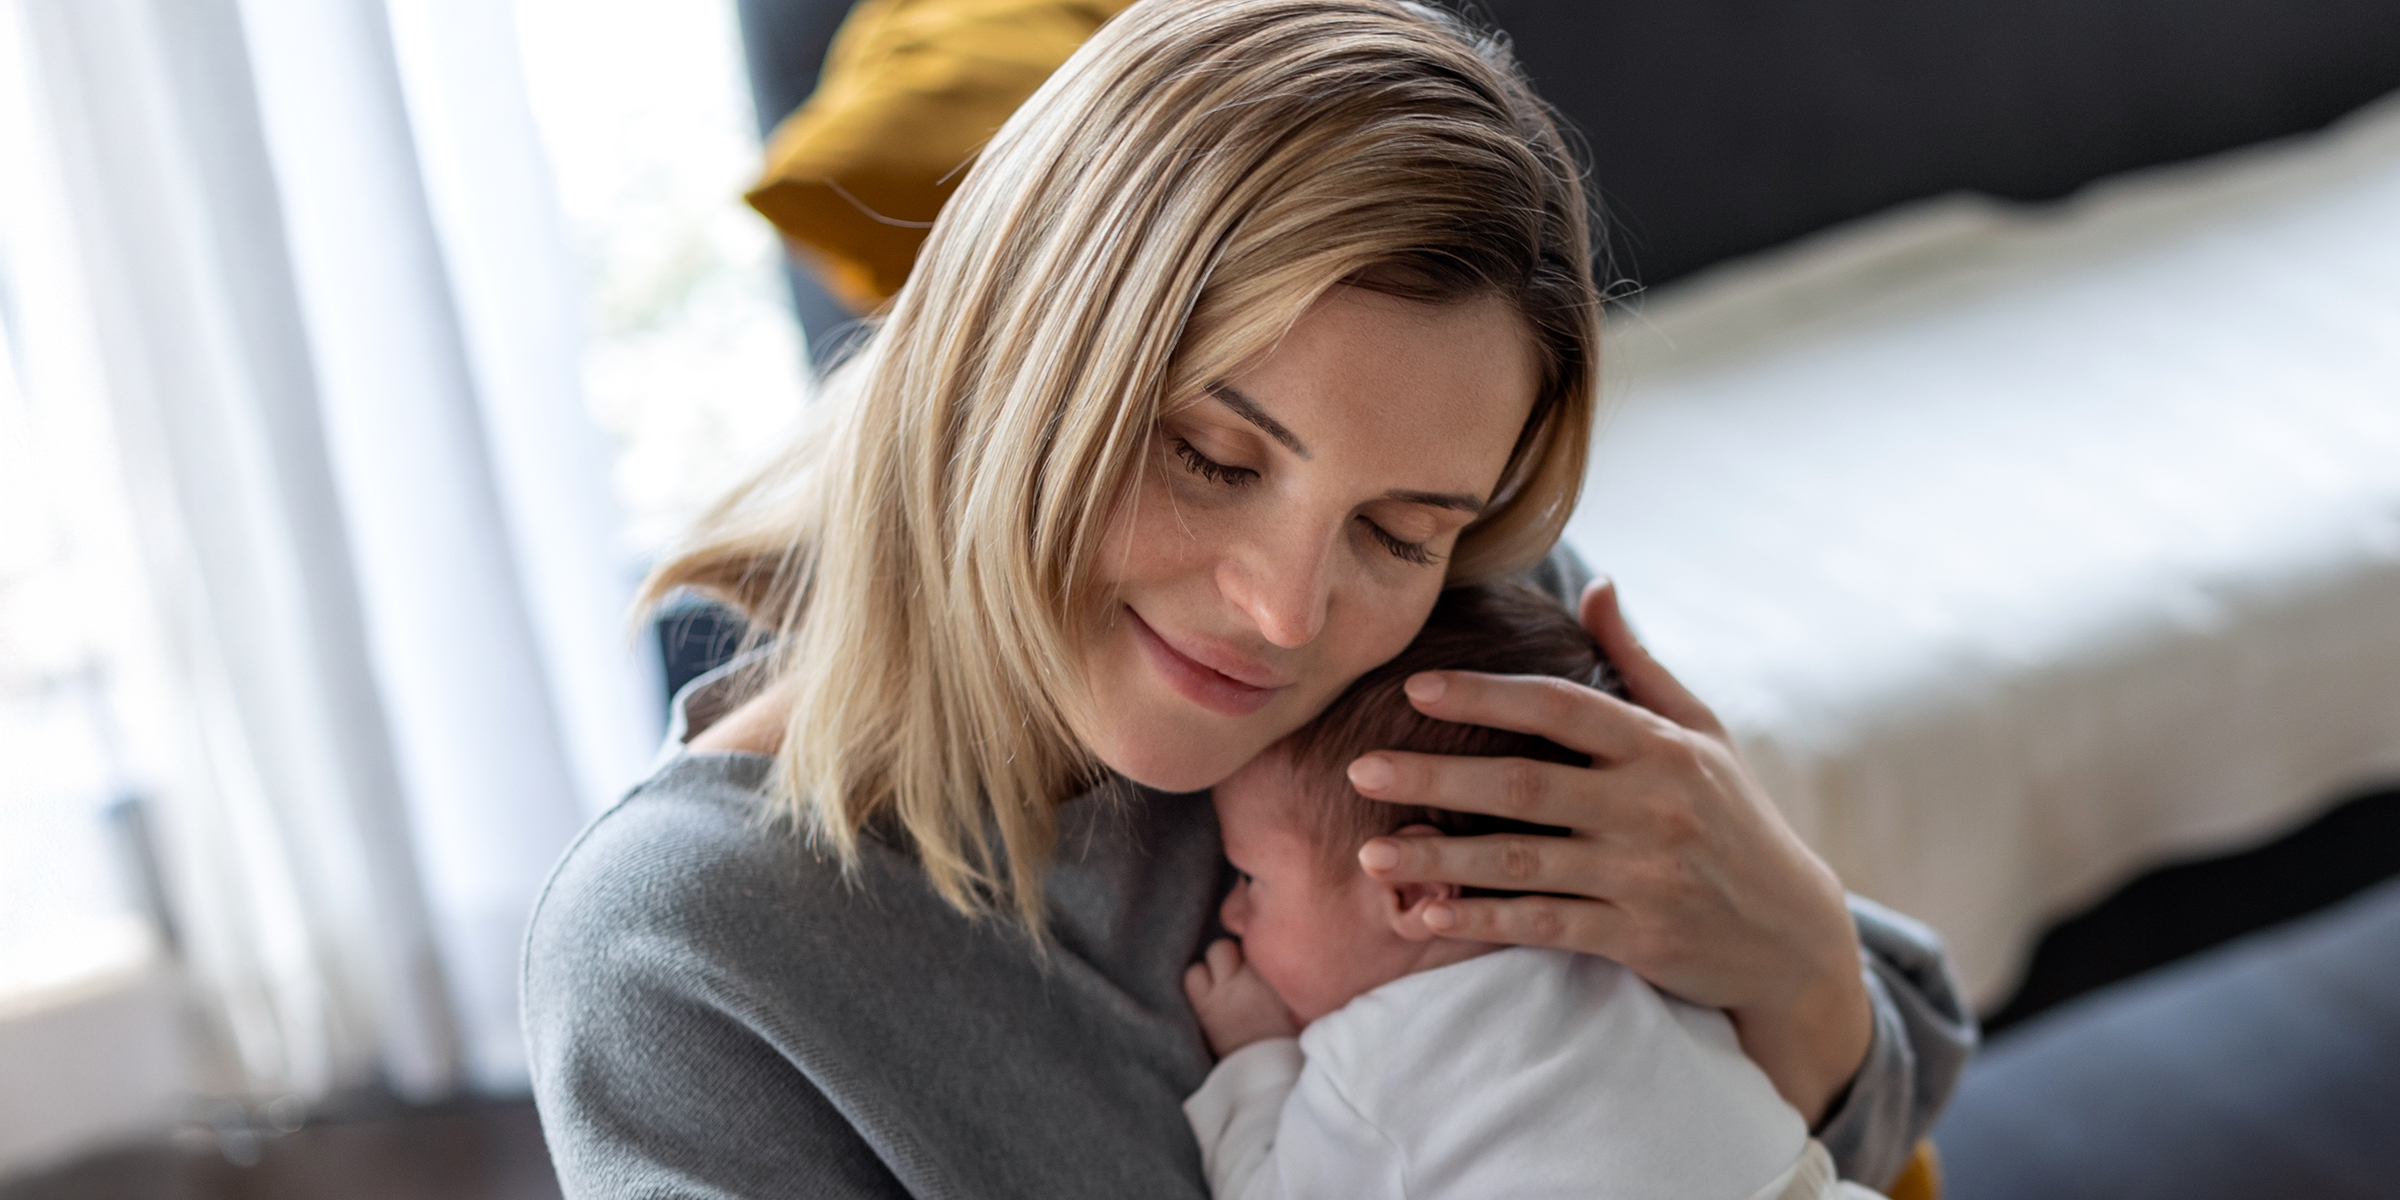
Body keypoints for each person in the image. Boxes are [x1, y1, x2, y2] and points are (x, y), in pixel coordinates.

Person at [522, 2, 1973, 1196]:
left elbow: (1860, 1116)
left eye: (1398, 529)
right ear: (1008, 349)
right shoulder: (688, 956)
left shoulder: (1451, 634)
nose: (1286, 614)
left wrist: (1787, 945)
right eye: (1212, 458)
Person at [1180, 583, 1884, 1199]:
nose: (1230, 911)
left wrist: (1255, 1058)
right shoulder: (1630, 941)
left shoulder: (1365, 1073)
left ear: (1413, 887)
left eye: (1251, 879)